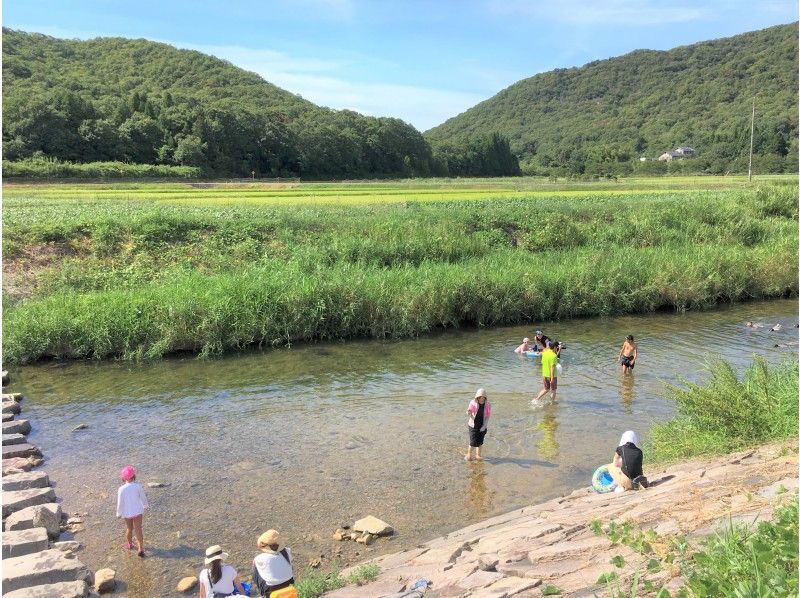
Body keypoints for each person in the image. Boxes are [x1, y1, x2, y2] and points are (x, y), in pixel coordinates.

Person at [116, 465, 148, 557]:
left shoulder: (121, 489)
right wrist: (146, 506)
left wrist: (118, 513)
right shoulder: (138, 486)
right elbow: (143, 498)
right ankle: (140, 548)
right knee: (138, 529)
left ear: (123, 477)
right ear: (134, 476)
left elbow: (120, 503)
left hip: (127, 513)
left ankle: (129, 544)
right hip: (137, 511)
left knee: (129, 529)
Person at [253, 530, 296, 597]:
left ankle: (262, 594)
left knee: (255, 569)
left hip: (271, 589)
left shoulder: (261, 558)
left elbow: (254, 563)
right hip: (289, 583)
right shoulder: (287, 551)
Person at [465, 388, 491, 461]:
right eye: (480, 397)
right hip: (473, 425)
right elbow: (469, 410)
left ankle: (478, 455)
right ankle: (469, 454)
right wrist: (468, 412)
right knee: (473, 442)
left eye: (483, 397)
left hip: (482, 425)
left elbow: (488, 416)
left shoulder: (488, 405)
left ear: (485, 397)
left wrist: (484, 426)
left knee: (480, 442)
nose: (481, 399)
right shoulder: (473, 402)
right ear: (477, 397)